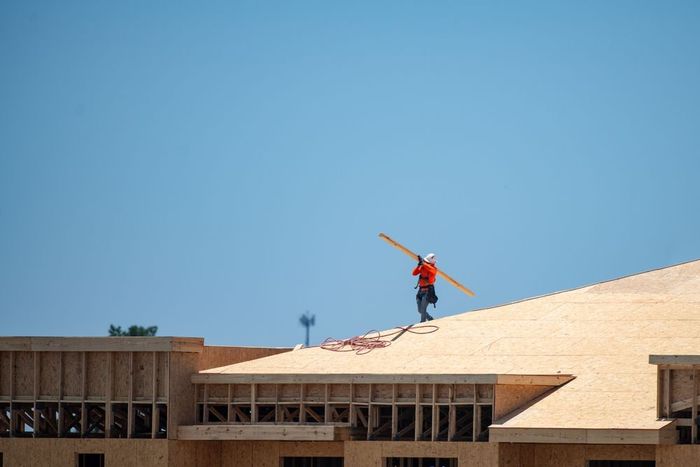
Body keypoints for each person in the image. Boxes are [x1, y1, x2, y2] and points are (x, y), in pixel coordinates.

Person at [412, 253, 437, 322]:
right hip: (420, 291)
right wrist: (419, 265)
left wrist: (423, 263)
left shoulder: (433, 269)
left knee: (423, 310)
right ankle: (430, 318)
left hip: (427, 292)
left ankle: (422, 322)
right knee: (420, 310)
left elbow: (431, 270)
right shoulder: (423, 267)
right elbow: (414, 273)